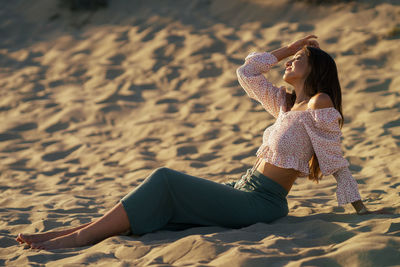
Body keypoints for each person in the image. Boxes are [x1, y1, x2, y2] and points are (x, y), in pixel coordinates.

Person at [16, 35, 390, 250]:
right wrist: (287, 46)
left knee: (164, 179)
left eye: (297, 59)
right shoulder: (285, 104)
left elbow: (336, 161)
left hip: (261, 203)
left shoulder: (318, 105)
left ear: (317, 69)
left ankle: (78, 237)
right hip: (242, 188)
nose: (289, 62)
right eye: (289, 59)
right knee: (163, 195)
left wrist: (361, 211)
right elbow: (247, 72)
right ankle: (67, 233)